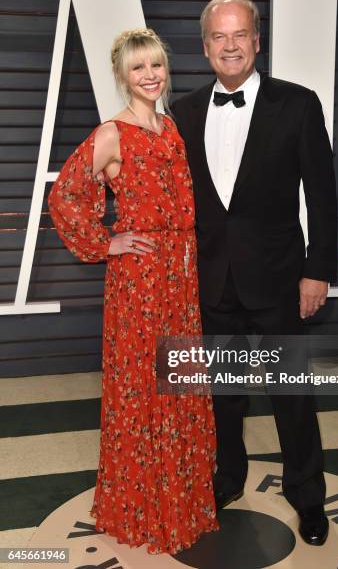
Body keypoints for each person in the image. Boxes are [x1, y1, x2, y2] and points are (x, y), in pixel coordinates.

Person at [171, 0, 338, 546]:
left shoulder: (298, 104)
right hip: (213, 280)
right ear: (205, 48)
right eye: (219, 37)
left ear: (257, 40)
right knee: (225, 393)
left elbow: (322, 194)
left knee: (290, 393)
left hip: (279, 278)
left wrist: (318, 270)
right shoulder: (186, 111)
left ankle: (308, 499)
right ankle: (227, 477)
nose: (230, 45)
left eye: (239, 34)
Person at [48, 28, 219, 554]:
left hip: (180, 275)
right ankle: (146, 510)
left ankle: (181, 502)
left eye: (157, 66)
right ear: (123, 76)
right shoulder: (112, 134)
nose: (150, 75)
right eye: (139, 68)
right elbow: (65, 197)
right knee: (144, 385)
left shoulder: (171, 128)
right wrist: (108, 241)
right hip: (141, 280)